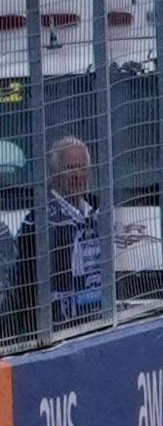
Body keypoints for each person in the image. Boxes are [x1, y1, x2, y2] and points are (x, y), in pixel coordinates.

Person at [19, 134, 106, 335]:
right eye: (69, 168)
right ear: (54, 174)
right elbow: (28, 289)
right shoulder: (39, 222)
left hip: (97, 325)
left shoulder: (98, 214)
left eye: (82, 168)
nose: (78, 175)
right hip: (58, 332)